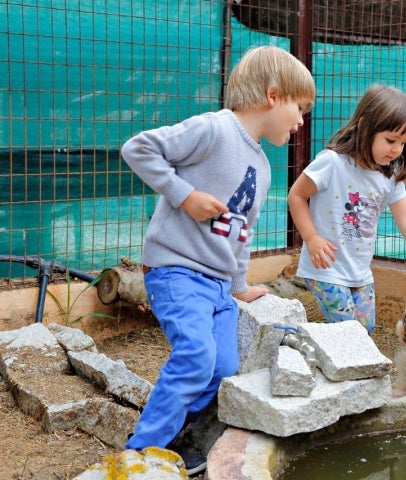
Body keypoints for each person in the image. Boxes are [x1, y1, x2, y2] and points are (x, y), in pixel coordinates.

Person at [121, 45, 315, 475]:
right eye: (299, 109)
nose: (301, 121)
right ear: (273, 94)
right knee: (194, 356)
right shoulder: (214, 130)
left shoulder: (263, 168)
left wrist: (239, 284)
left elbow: (241, 233)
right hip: (175, 271)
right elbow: (138, 149)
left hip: (217, 286)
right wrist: (184, 196)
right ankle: (138, 454)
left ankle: (173, 439)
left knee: (222, 367)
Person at [288, 84, 406, 334]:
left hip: (359, 272)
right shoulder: (332, 162)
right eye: (390, 140)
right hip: (325, 268)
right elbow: (297, 196)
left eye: (403, 143)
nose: (397, 150)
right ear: (365, 126)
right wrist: (310, 238)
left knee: (365, 329)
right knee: (350, 331)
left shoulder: (389, 177)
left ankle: (319, 352)